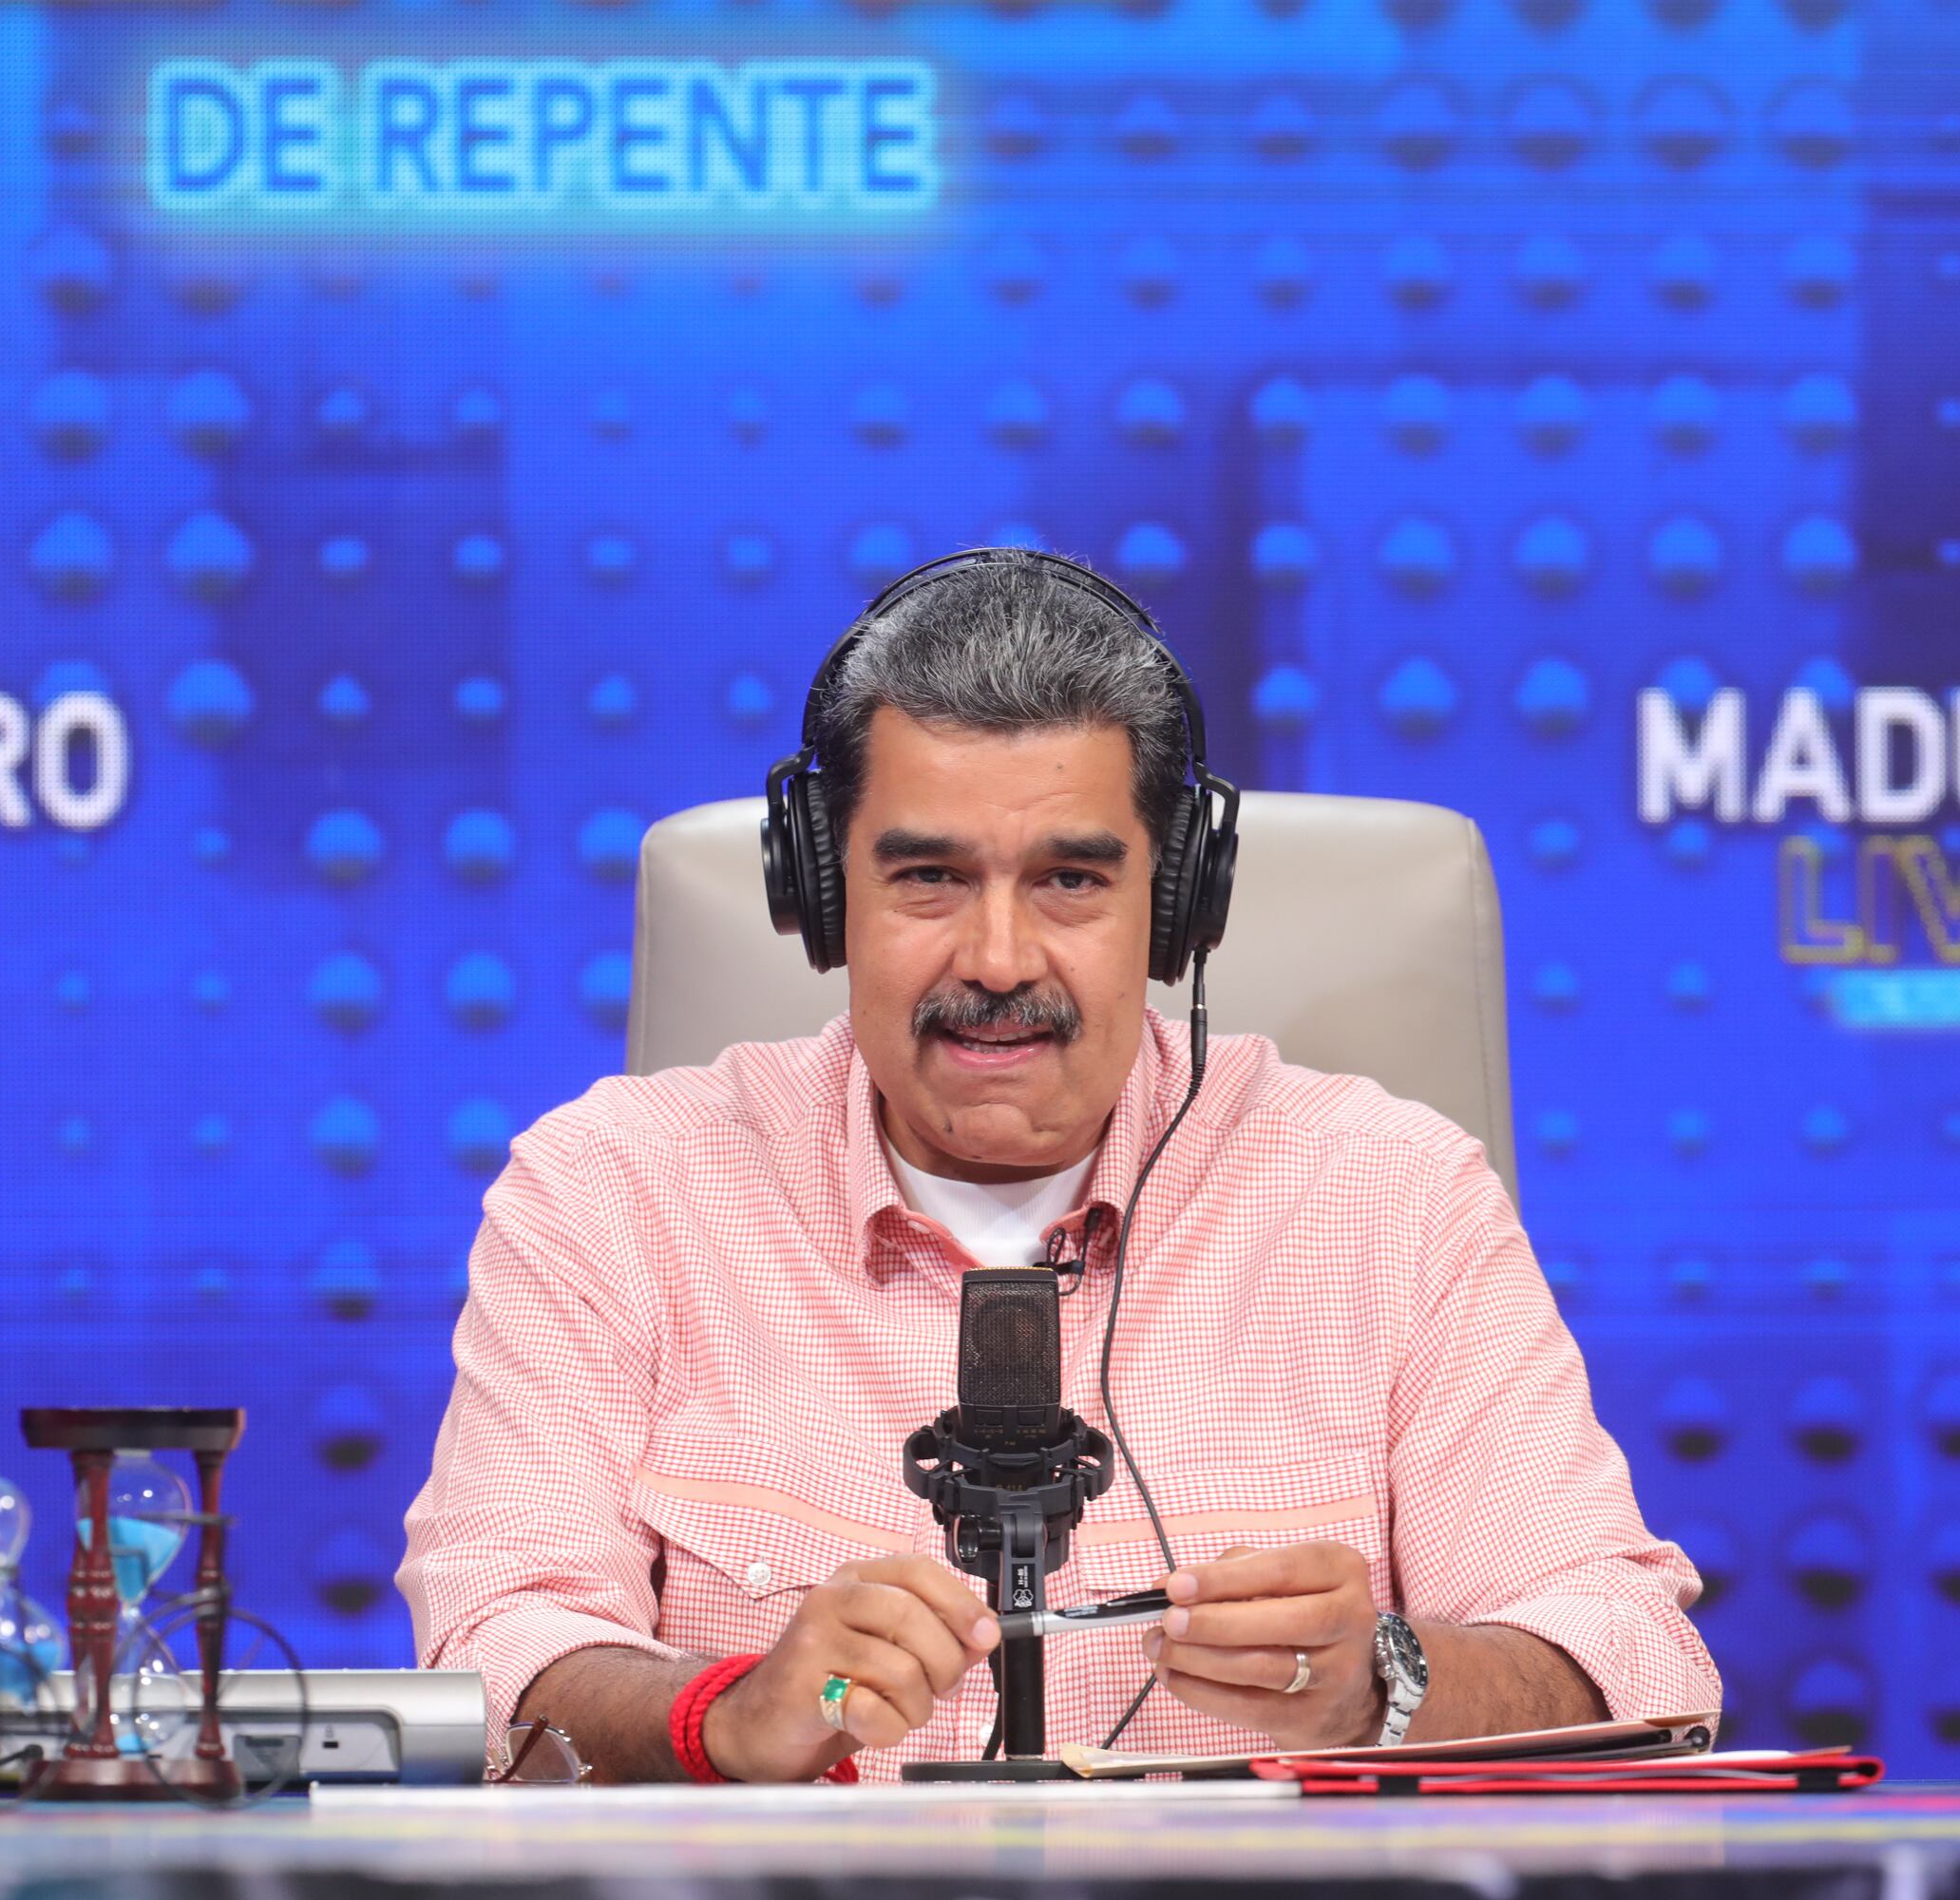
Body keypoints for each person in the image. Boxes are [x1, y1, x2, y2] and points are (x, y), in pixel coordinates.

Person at [399, 550, 1722, 1783]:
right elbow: (490, 1650)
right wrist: (727, 1715)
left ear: (1176, 903)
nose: (996, 959)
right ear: (818, 897)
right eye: (927, 877)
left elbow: (1634, 1655)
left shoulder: (1392, 1198)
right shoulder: (612, 1192)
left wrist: (1380, 1683)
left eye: (1071, 883)